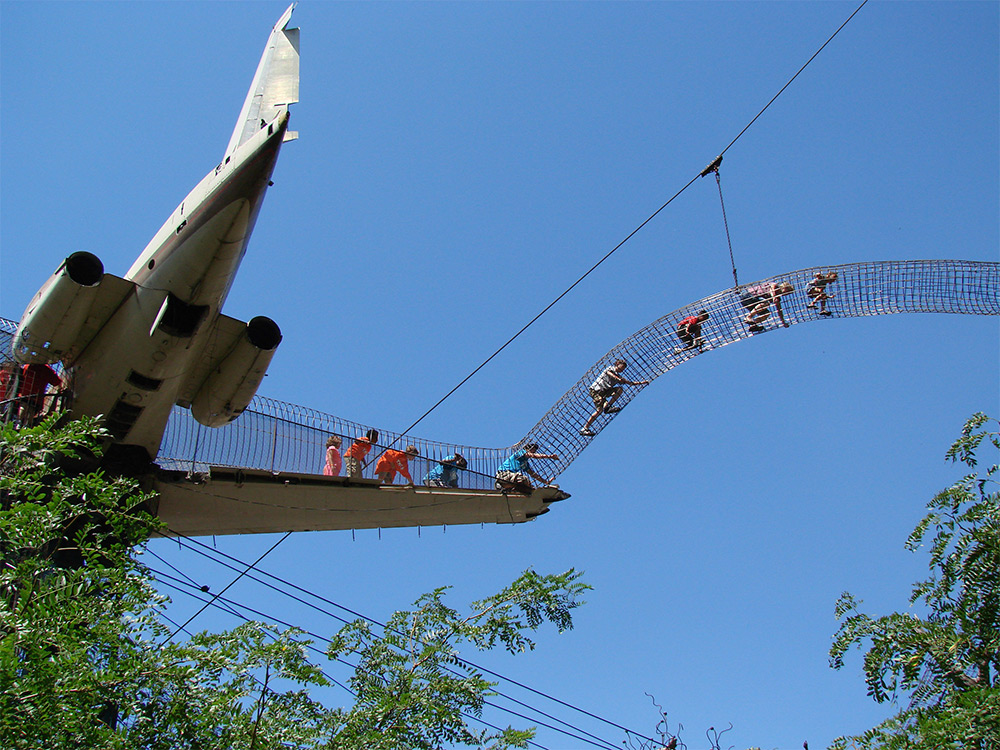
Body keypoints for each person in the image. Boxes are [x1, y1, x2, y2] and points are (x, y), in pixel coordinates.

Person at [579, 359, 649, 437]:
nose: (621, 370)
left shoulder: (619, 376)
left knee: (619, 389)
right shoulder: (610, 368)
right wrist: (618, 379)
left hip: (605, 391)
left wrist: (641, 383)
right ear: (617, 364)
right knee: (599, 410)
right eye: (620, 368)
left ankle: (608, 406)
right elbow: (609, 373)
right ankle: (584, 429)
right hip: (596, 390)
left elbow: (630, 383)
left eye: (622, 370)